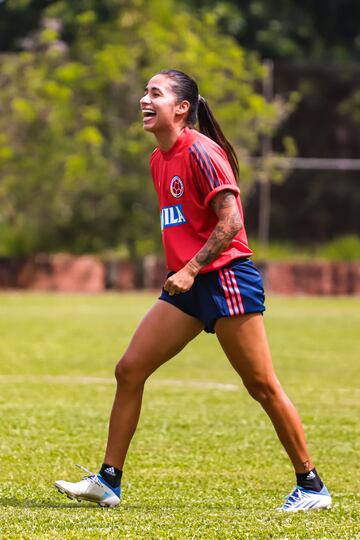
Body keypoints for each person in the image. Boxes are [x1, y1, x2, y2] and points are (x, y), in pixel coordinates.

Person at [55, 69, 331, 512]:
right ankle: (109, 481)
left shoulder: (203, 152)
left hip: (226, 279)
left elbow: (232, 222)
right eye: (145, 92)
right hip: (187, 285)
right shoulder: (156, 159)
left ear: (182, 108)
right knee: (129, 370)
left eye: (155, 93)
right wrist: (181, 271)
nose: (144, 99)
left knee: (261, 385)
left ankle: (312, 485)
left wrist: (191, 268)